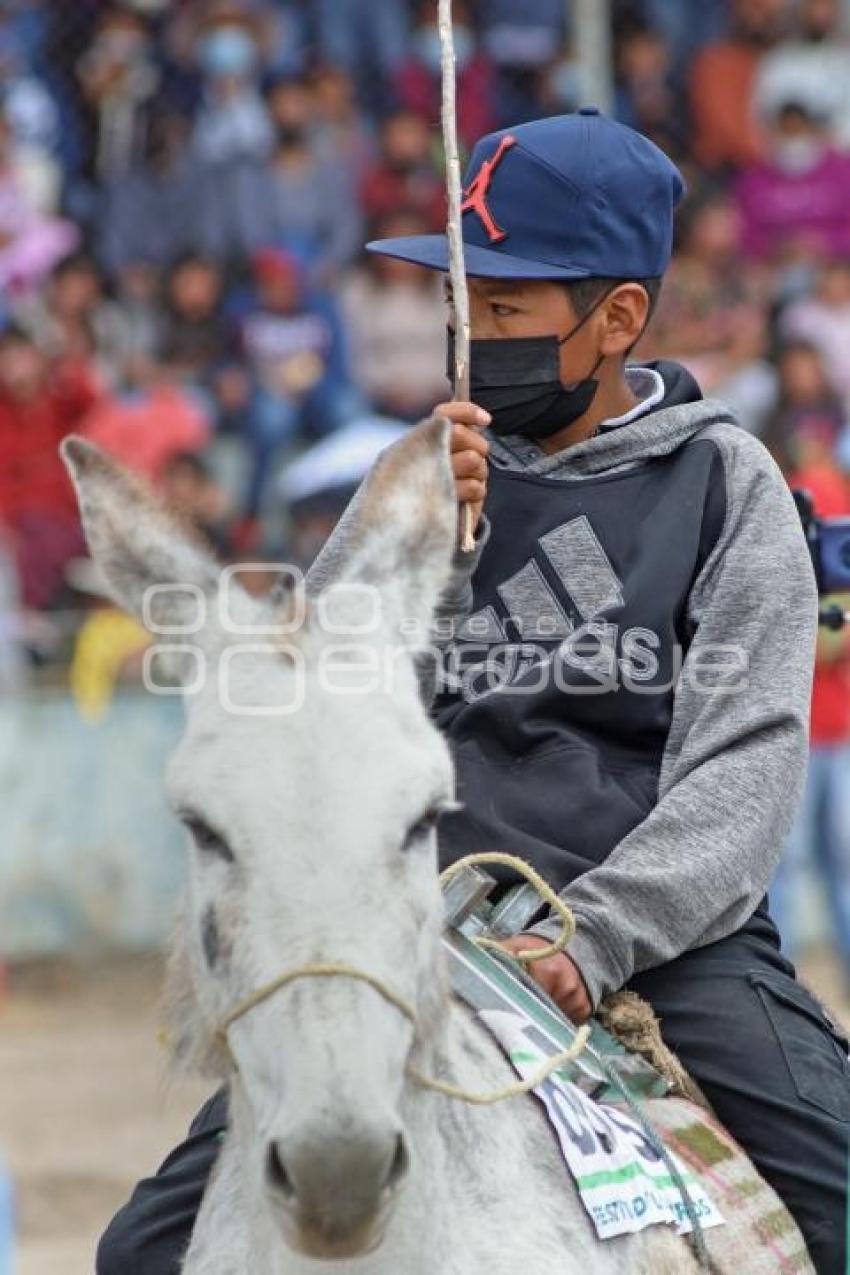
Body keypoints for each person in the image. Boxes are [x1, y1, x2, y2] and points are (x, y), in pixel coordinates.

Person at [96, 112, 848, 1275]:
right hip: (419, 925)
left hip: (663, 945)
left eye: (505, 313)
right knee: (140, 1255)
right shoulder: (425, 467)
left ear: (616, 321)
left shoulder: (724, 484)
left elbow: (743, 774)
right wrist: (410, 533)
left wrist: (592, 936)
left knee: (837, 1194)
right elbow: (314, 710)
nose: (471, 336)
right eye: (462, 306)